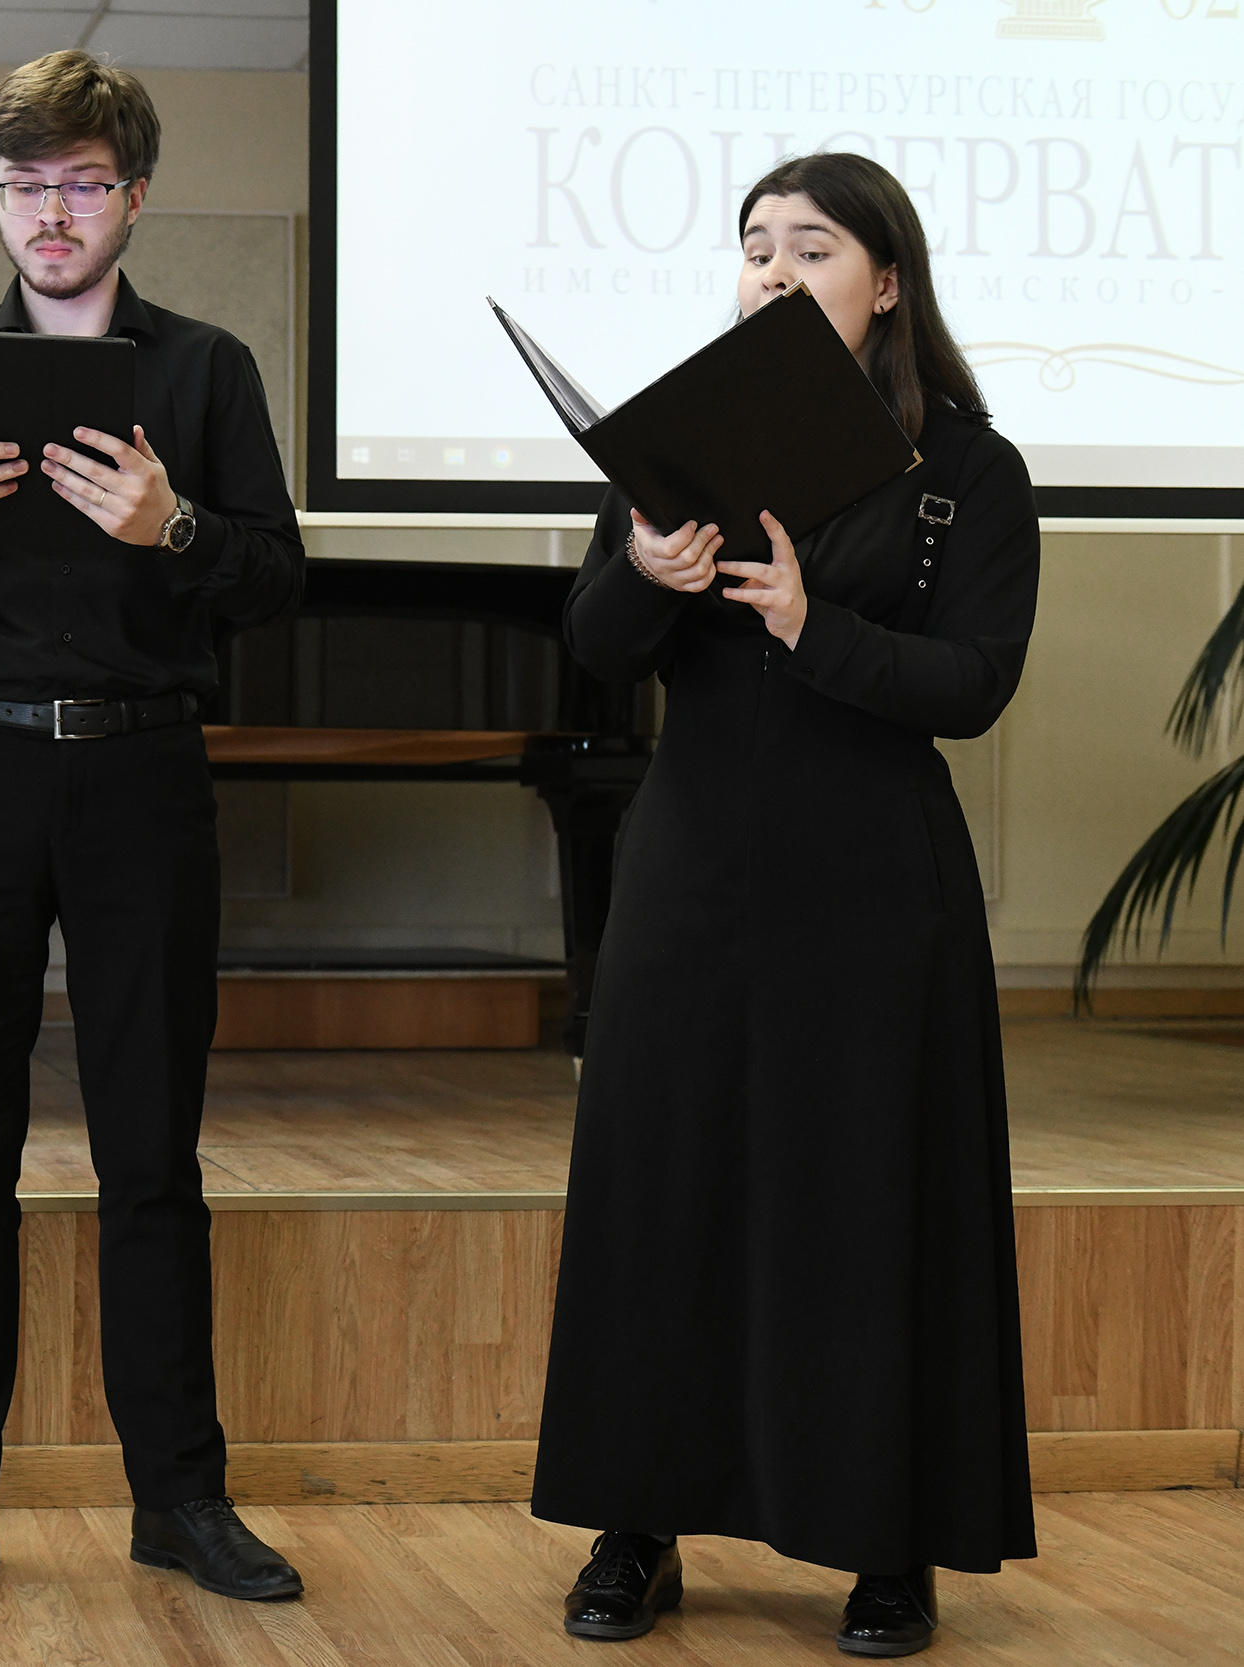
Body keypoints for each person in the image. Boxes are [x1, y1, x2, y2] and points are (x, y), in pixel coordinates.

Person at [0, 51, 305, 1605]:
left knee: (152, 1152)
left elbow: (278, 583)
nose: (51, 212)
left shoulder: (206, 372)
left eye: (83, 182)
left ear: (135, 197)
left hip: (145, 777)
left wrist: (177, 527)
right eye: (24, 184)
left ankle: (182, 1501)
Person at [529, 151, 1040, 1658]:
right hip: (691, 871)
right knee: (664, 1192)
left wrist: (819, 627)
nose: (771, 270)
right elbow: (600, 645)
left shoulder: (970, 471)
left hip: (872, 882)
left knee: (865, 1200)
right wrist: (645, 565)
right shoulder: (687, 439)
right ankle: (637, 1529)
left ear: (888, 281)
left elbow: (974, 684)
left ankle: (887, 1545)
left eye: (809, 247)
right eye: (755, 246)